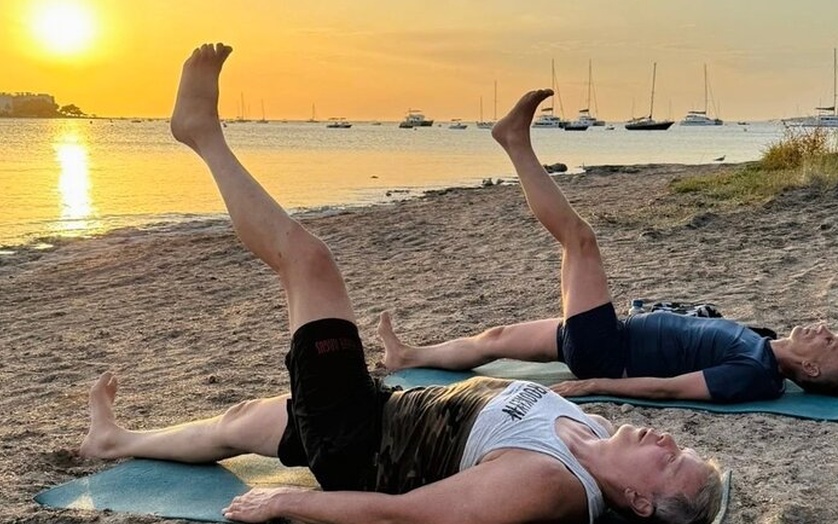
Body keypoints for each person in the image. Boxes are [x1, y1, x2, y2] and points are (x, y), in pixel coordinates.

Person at [77, 43, 724, 524]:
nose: (667, 439)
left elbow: (417, 514)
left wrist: (290, 505)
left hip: (358, 440)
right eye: (680, 445)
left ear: (638, 501)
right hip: (381, 410)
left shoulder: (550, 484)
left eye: (670, 462)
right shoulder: (586, 430)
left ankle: (201, 136)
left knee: (308, 261)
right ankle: (114, 442)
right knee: (238, 422)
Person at [379, 110, 838, 404]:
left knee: (579, 239)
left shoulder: (755, 375)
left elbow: (671, 390)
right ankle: (408, 355)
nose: (825, 329)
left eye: (829, 343)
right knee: (496, 339)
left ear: (812, 371)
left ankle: (514, 141)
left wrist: (593, 386)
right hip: (614, 335)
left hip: (606, 352)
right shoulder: (761, 346)